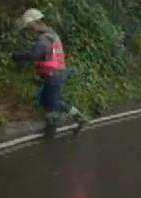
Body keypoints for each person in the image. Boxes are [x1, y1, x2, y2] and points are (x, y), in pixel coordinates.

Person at [12, 8, 89, 136]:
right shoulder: (50, 34)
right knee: (45, 100)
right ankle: (52, 126)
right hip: (53, 74)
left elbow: (35, 54)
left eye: (29, 25)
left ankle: (78, 118)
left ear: (35, 22)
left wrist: (18, 56)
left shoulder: (45, 38)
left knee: (53, 102)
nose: (29, 28)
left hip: (54, 75)